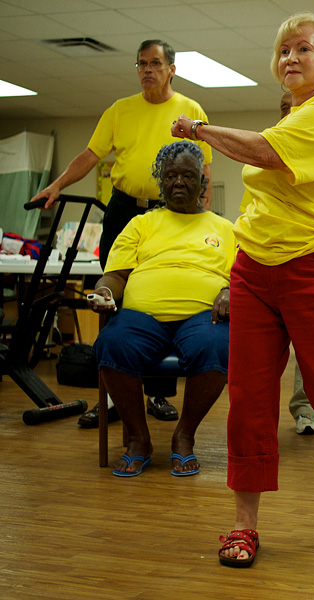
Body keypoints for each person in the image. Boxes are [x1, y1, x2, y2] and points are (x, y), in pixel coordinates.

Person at [171, 12, 314, 567]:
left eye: (303, 49)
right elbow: (267, 187)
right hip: (256, 268)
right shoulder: (296, 115)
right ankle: (243, 524)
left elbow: (264, 153)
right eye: (283, 51)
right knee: (247, 394)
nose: (290, 58)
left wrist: (200, 129)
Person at [31, 39, 213, 428]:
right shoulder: (119, 110)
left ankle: (158, 394)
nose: (147, 69)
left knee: (162, 298)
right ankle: (111, 396)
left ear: (171, 69)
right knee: (110, 295)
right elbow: (90, 156)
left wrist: (204, 219)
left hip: (173, 216)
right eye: (141, 63)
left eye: (155, 63)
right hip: (123, 211)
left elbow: (204, 172)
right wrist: (57, 185)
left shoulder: (190, 110)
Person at [90, 141, 234, 478]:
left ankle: (184, 435)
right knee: (111, 344)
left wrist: (229, 291)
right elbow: (115, 275)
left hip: (202, 317)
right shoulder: (141, 225)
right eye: (170, 176)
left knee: (217, 345)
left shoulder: (225, 229)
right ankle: (138, 440)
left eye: (188, 175)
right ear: (161, 181)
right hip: (142, 317)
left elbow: (241, 276)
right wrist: (103, 293)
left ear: (203, 183)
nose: (179, 182)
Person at [239, 91, 314, 435]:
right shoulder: (263, 149)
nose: (290, 112)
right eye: (284, 107)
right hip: (263, 260)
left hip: (307, 257)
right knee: (262, 356)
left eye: (297, 106)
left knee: (309, 349)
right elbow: (250, 209)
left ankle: (306, 411)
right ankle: (260, 420)